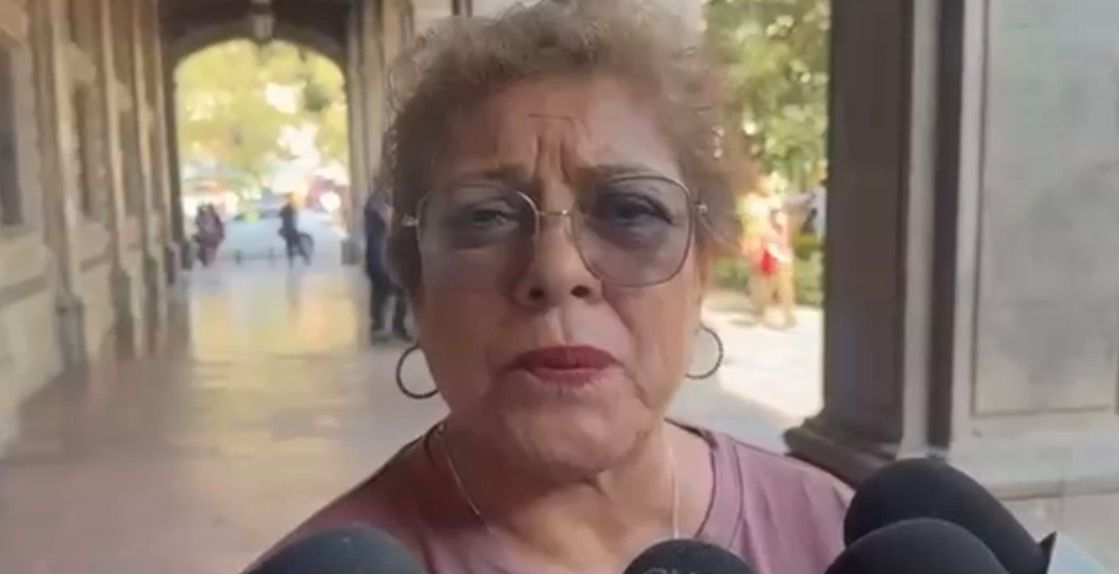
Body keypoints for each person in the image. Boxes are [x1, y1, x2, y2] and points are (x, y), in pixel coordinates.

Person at [255, 2, 849, 573]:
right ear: (416, 285)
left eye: (629, 211)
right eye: (485, 217)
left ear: (702, 270)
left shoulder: (830, 534)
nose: (558, 271)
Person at [742, 189, 798, 329]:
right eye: (773, 212)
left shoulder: (779, 222)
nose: (775, 214)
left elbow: (782, 240)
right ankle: (766, 315)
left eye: (776, 211)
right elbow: (764, 240)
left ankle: (787, 316)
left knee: (783, 290)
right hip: (774, 259)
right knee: (769, 290)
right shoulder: (770, 224)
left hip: (781, 259)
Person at [365, 190, 410, 341]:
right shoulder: (378, 201)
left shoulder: (376, 199)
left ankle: (381, 327)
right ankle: (392, 327)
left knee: (383, 291)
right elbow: (389, 221)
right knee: (394, 289)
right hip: (381, 253)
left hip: (378, 253)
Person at [278, 199, 310, 265]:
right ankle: (305, 258)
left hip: (287, 233)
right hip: (292, 232)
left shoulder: (284, 213)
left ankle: (291, 262)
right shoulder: (290, 212)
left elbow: (280, 215)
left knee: (289, 247)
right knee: (298, 245)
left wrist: (282, 231)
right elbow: (294, 217)